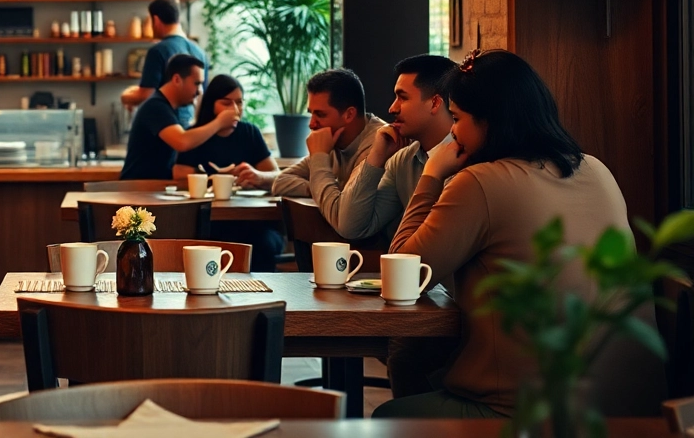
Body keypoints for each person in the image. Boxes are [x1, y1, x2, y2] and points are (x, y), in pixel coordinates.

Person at [374, 50, 665, 419]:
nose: (453, 133)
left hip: (532, 412)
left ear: (489, 121)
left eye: (458, 119)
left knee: (391, 417)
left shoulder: (479, 182)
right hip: (635, 407)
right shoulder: (596, 168)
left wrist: (432, 174)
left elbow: (399, 277)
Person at [321, 54, 457, 245]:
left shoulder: (467, 160)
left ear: (435, 103)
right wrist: (376, 157)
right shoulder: (402, 160)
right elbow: (350, 227)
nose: (392, 108)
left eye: (403, 98)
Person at [173, 74, 286, 270]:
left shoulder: (250, 133)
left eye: (239, 102)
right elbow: (179, 173)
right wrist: (211, 178)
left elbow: (278, 176)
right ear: (211, 104)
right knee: (203, 241)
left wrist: (258, 177)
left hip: (253, 222)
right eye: (226, 103)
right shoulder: (197, 135)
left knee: (263, 244)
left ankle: (259, 289)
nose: (234, 109)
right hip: (210, 221)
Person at [261, 69, 385, 199]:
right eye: (311, 113)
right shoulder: (332, 142)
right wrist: (317, 188)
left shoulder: (381, 146)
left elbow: (345, 208)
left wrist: (322, 186)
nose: (311, 124)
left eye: (320, 115)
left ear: (349, 114)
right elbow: (280, 182)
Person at [119, 54, 236, 181]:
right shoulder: (156, 107)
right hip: (136, 189)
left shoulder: (168, 108)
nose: (200, 91)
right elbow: (182, 142)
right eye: (197, 83)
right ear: (176, 80)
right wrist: (220, 122)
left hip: (151, 188)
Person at [121, 0, 207, 127]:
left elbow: (147, 95)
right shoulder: (200, 52)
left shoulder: (158, 51)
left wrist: (126, 97)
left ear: (156, 20)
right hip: (192, 127)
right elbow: (202, 95)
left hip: (165, 127)